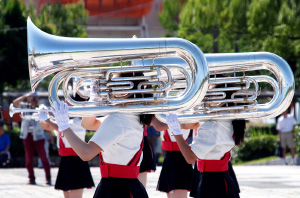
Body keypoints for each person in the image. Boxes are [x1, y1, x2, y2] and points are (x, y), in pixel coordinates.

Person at [166, 113, 245, 198]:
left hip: (215, 182)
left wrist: (176, 132)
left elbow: (190, 157)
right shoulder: (220, 120)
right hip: (212, 178)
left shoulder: (212, 126)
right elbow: (191, 125)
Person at [35, 95, 95, 198]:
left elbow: (61, 127)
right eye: (65, 102)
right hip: (65, 160)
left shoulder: (79, 121)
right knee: (66, 195)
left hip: (77, 161)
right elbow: (47, 126)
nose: (65, 105)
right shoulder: (64, 120)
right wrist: (42, 117)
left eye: (69, 102)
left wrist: (48, 119)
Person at [13, 92, 51, 185]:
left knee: (43, 158)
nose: (34, 100)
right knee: (29, 159)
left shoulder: (41, 107)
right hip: (27, 135)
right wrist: (25, 96)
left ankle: (48, 178)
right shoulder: (24, 106)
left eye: (35, 98)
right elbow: (14, 103)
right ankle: (31, 178)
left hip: (38, 135)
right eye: (32, 98)